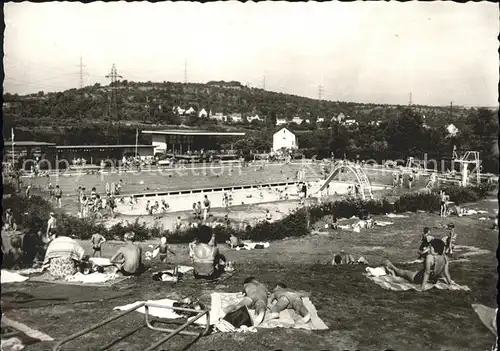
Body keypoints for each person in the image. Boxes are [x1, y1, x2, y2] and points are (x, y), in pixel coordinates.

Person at [383, 238, 452, 291]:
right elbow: (446, 273)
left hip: (419, 279)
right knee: (413, 272)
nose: (429, 248)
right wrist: (450, 284)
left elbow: (427, 273)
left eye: (430, 247)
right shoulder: (445, 257)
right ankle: (393, 269)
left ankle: (392, 267)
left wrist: (422, 287)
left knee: (404, 272)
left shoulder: (430, 257)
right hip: (433, 280)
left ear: (435, 249)